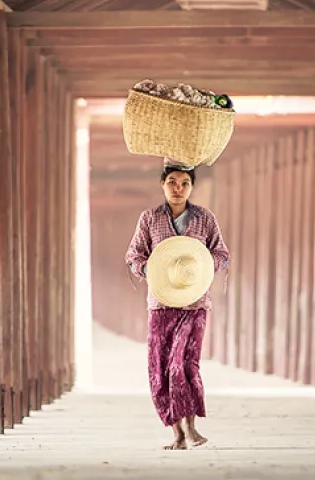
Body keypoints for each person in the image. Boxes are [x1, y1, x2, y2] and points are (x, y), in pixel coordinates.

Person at [124, 164, 230, 450]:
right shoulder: (149, 218)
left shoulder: (205, 218)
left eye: (184, 183)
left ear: (192, 187)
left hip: (195, 303)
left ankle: (191, 428)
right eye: (172, 182)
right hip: (161, 303)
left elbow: (221, 253)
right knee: (159, 367)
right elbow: (134, 254)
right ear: (162, 184)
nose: (178, 188)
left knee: (185, 364)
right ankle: (177, 433)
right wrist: (152, 271)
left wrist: (203, 270)